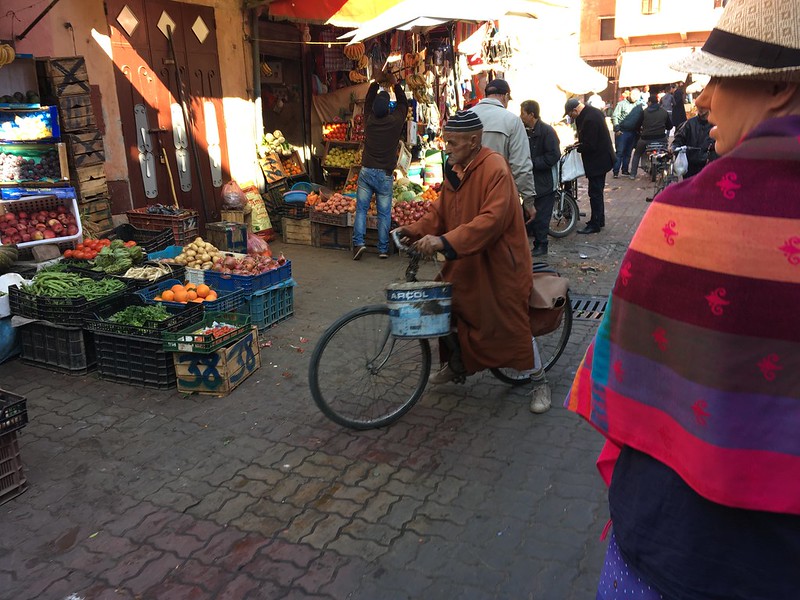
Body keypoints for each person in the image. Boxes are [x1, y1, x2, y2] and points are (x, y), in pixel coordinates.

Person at [566, 0, 800, 597]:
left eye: (719, 80)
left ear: (775, 87)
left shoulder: (689, 215)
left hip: (676, 548)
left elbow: (623, 374)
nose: (702, 102)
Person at [395, 110, 552, 414]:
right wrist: (414, 231)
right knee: (449, 309)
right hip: (467, 257)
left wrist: (444, 241)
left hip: (499, 263)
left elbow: (490, 221)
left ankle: (539, 380)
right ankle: (458, 365)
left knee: (510, 322)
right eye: (446, 141)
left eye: (452, 142)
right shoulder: (456, 168)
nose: (447, 147)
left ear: (474, 140)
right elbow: (440, 211)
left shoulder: (496, 169)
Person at [352, 70, 408, 260]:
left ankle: (359, 243)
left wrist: (376, 83)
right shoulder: (395, 121)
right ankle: (383, 249)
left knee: (361, 209)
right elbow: (403, 105)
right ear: (388, 108)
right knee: (384, 214)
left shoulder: (369, 121)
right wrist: (396, 84)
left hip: (367, 172)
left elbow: (367, 102)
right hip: (384, 175)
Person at [469, 79, 537, 222]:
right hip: (499, 196)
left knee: (471, 239)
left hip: (469, 195)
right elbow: (521, 165)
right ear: (505, 96)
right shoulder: (512, 121)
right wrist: (528, 201)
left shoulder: (466, 116)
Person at [564, 98, 615, 234]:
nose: (571, 118)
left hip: (599, 161)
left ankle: (595, 224)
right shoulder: (591, 113)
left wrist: (578, 147)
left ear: (575, 110)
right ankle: (599, 219)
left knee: (595, 192)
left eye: (570, 114)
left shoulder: (589, 118)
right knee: (597, 191)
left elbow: (590, 145)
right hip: (602, 159)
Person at [520, 99, 561, 257]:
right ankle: (535, 241)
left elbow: (554, 155)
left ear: (531, 114)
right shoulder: (525, 130)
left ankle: (541, 245)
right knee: (530, 213)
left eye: (523, 113)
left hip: (544, 182)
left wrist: (533, 163)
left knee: (542, 215)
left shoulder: (547, 131)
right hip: (530, 180)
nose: (521, 116)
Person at [628, 95, 672, 179]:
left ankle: (633, 174)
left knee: (637, 154)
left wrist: (640, 131)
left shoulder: (644, 112)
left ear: (650, 102)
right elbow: (669, 126)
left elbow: (637, 125)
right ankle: (664, 171)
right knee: (665, 152)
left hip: (645, 138)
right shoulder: (664, 112)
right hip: (661, 138)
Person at [671, 106, 717, 177]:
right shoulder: (689, 124)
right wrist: (674, 148)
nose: (701, 109)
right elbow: (678, 139)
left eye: (703, 106)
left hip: (709, 166)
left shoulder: (715, 125)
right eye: (699, 107)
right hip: (690, 166)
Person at [611, 88, 642, 177]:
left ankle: (625, 170)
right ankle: (616, 171)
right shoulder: (621, 104)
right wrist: (617, 129)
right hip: (622, 132)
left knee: (628, 153)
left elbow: (641, 118)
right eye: (633, 95)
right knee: (620, 152)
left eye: (637, 96)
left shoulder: (638, 106)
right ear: (629, 94)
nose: (635, 97)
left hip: (633, 132)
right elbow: (615, 116)